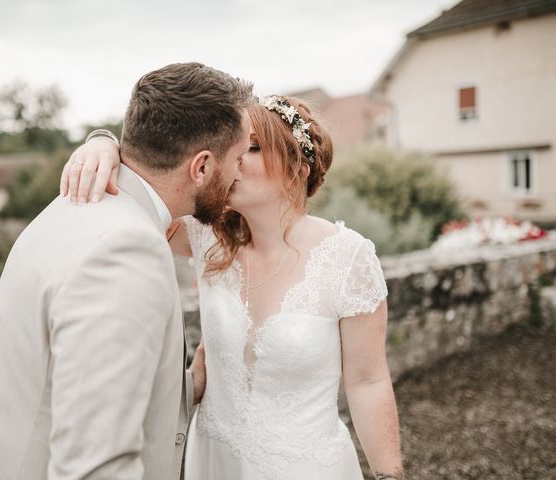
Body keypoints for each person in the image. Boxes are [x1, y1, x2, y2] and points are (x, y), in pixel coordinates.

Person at [62, 95, 404, 480]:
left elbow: (367, 381)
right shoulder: (204, 235)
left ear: (299, 167)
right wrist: (103, 143)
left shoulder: (348, 258)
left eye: (253, 148)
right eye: (235, 147)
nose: (234, 159)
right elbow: (134, 194)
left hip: (306, 466)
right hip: (212, 459)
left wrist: (389, 476)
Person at [0, 62, 253, 480]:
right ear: (201, 167)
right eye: (239, 156)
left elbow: (67, 380)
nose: (242, 171)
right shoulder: (126, 249)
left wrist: (186, 390)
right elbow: (95, 466)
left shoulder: (68, 208)